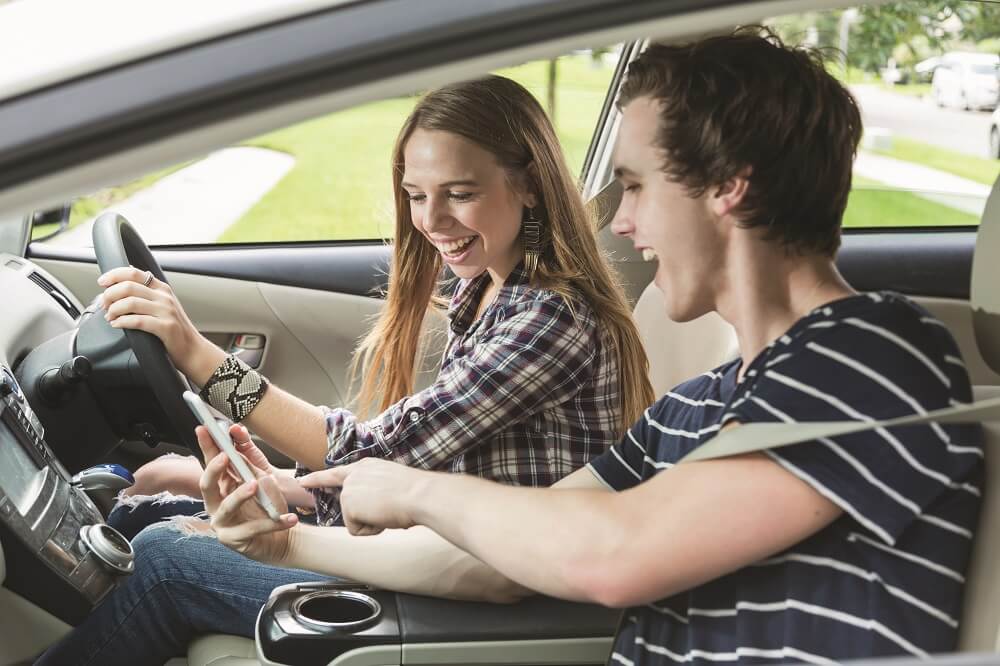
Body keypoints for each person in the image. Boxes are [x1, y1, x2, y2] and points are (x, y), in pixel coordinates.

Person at [40, 28, 984, 666]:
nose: (623, 222)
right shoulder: (701, 407)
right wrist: (286, 536)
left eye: (635, 186)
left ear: (728, 187)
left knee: (165, 559)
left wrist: (407, 490)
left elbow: (612, 556)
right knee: (164, 534)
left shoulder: (874, 354)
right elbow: (492, 560)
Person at [36, 73, 654, 665]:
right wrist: (288, 487)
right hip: (442, 543)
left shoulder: (547, 321)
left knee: (164, 558)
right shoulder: (491, 289)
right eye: (416, 196)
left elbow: (370, 454)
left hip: (487, 593)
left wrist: (194, 353)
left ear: (529, 185)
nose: (431, 221)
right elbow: (433, 465)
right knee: (144, 507)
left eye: (460, 194)